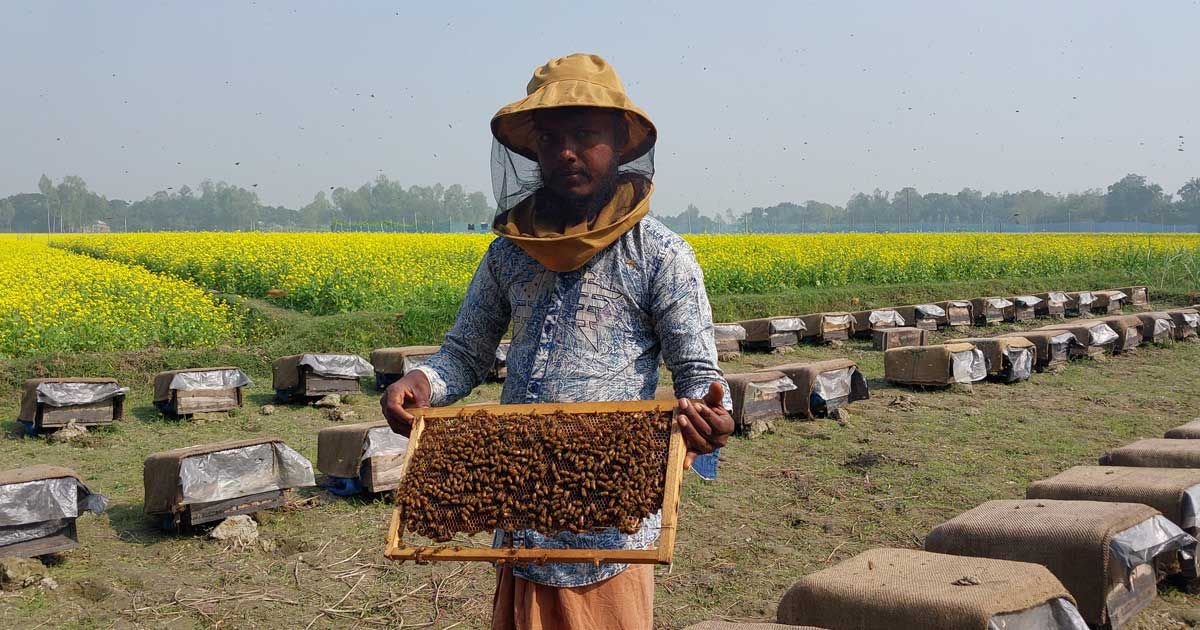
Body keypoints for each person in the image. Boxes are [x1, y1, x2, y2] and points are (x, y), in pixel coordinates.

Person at [381, 52, 734, 630]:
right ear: (532, 152)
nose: (566, 152)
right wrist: (423, 381)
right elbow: (466, 353)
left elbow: (699, 374)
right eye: (550, 139)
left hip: (610, 537)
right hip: (519, 517)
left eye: (585, 136)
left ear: (620, 143)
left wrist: (710, 416)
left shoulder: (659, 254)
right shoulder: (508, 254)